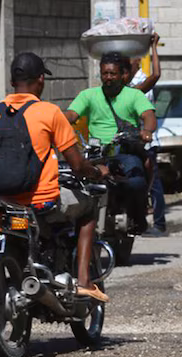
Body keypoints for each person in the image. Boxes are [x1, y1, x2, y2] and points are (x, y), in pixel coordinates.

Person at [0, 52, 109, 303]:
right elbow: (77, 165)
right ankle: (84, 282)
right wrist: (97, 171)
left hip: (4, 205)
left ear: (12, 82)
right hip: (42, 203)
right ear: (41, 80)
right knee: (89, 204)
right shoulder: (50, 113)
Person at [64, 52, 157, 236]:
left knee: (137, 181)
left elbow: (148, 115)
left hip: (123, 150)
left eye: (112, 74)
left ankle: (138, 214)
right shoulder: (88, 95)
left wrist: (147, 131)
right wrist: (55, 122)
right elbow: (72, 115)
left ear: (123, 75)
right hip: (96, 152)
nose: (108, 77)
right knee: (71, 182)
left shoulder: (134, 95)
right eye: (105, 73)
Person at [126, 34, 167, 236]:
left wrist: (153, 47)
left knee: (152, 183)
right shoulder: (127, 84)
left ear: (136, 64)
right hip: (132, 141)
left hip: (146, 142)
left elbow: (155, 75)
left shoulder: (139, 84)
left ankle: (159, 223)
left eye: (129, 63)